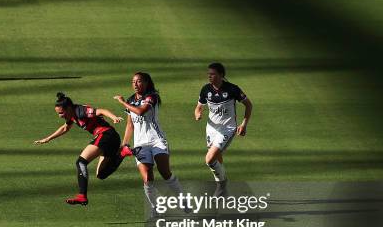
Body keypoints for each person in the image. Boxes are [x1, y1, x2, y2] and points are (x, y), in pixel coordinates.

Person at [34, 93, 127, 205]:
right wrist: (48, 138)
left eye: (61, 113)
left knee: (81, 162)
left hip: (106, 135)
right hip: (111, 139)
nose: (60, 116)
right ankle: (123, 153)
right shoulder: (72, 115)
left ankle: (82, 196)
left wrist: (114, 118)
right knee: (101, 174)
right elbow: (65, 128)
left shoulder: (80, 111)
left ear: (68, 108)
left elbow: (101, 111)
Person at [114, 72, 184, 214]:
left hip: (157, 140)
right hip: (140, 144)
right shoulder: (130, 100)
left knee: (165, 173)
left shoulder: (152, 97)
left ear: (146, 83)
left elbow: (140, 112)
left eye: (139, 81)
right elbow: (130, 125)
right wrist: (124, 144)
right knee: (147, 178)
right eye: (133, 82)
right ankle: (155, 208)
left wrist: (122, 102)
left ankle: (183, 200)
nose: (135, 84)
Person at [194, 63, 253, 196]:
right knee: (216, 157)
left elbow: (248, 105)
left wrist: (243, 124)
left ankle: (221, 185)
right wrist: (198, 113)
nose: (209, 76)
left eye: (213, 74)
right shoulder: (206, 89)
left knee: (209, 159)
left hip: (227, 128)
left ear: (221, 75)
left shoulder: (232, 89)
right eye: (208, 74)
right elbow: (198, 106)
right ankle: (223, 188)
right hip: (211, 129)